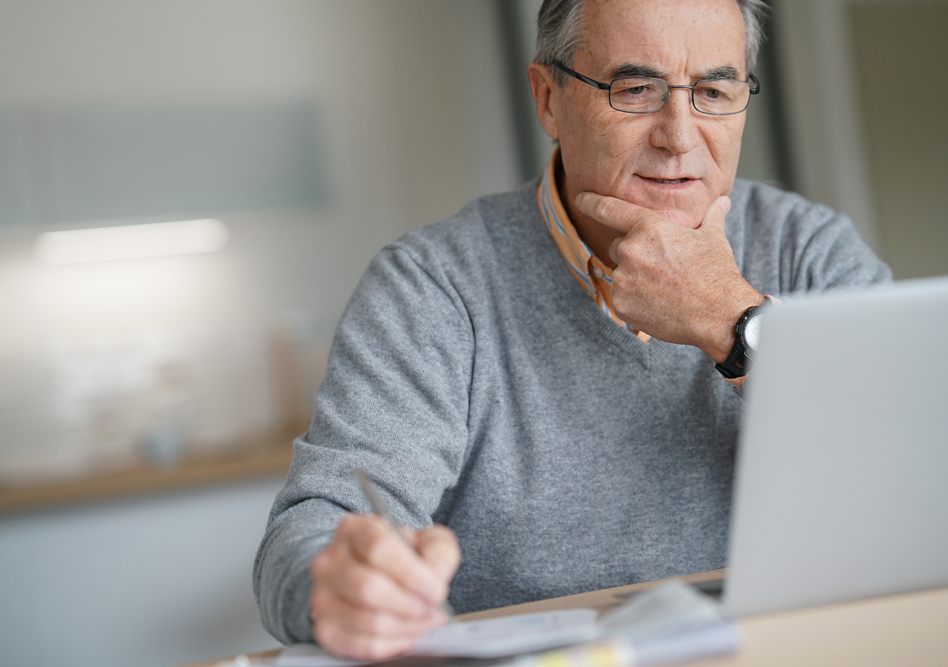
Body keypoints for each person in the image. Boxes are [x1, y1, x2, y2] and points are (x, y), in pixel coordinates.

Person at [253, 0, 891, 660]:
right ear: (549, 98)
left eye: (713, 91)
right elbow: (312, 528)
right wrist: (341, 585)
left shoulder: (811, 251)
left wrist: (731, 322)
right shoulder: (432, 286)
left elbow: (921, 466)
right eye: (636, 89)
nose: (678, 134)